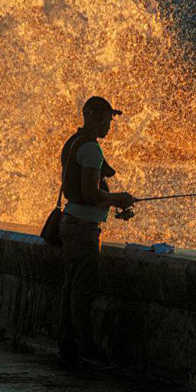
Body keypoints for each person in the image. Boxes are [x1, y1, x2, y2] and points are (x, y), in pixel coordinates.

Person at [58, 96, 136, 369]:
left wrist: (112, 205)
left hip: (70, 224)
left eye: (110, 120)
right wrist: (118, 199)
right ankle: (85, 348)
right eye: (106, 119)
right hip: (82, 232)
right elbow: (90, 193)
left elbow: (83, 191)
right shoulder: (91, 149)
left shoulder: (72, 142)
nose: (109, 125)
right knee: (82, 291)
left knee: (71, 288)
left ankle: (67, 345)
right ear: (91, 116)